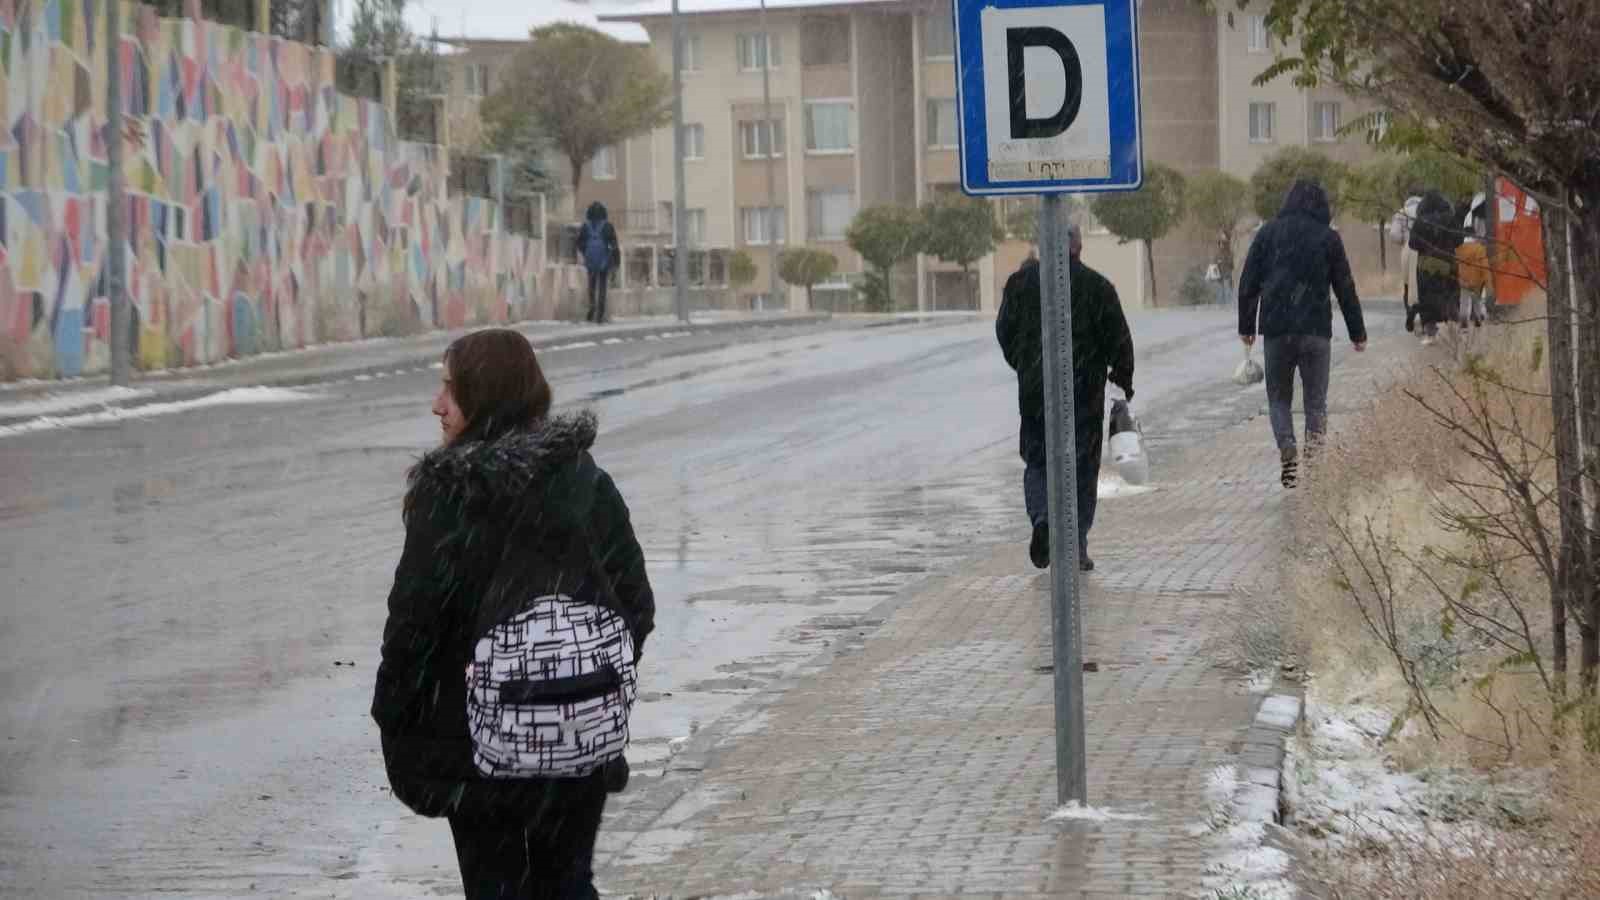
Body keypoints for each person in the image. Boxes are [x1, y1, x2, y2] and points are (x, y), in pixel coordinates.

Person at [372, 328, 654, 899]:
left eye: (450, 388)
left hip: (477, 749)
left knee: (495, 888)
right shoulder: (584, 484)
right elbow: (635, 604)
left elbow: (414, 628)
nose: (437, 404)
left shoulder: (449, 500)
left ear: (484, 398)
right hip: (576, 735)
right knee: (568, 883)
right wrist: (580, 678)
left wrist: (398, 718)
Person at [997, 222, 1135, 573]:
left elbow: (1005, 332)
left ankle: (1043, 518)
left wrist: (1027, 364)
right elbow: (1119, 339)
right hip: (1084, 392)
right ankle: (1075, 544)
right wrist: (1121, 381)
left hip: (1036, 391)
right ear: (1079, 248)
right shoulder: (1097, 287)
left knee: (1039, 460)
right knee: (1082, 469)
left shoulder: (1020, 284)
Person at [1238, 179, 1367, 489]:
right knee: (1315, 403)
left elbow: (1248, 283)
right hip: (1315, 332)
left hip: (1277, 331)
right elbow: (1345, 287)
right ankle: (1314, 462)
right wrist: (1357, 332)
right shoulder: (1328, 238)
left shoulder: (1268, 234)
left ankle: (1287, 448)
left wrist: (1247, 328)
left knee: (1279, 399)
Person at [1408, 189, 1464, 345]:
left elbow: (1412, 243)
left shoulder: (1420, 221)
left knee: (1427, 298)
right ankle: (1454, 329)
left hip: (1426, 266)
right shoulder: (1450, 219)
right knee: (1451, 294)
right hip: (1448, 263)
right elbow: (1459, 239)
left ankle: (1431, 334)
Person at [576, 202, 620, 324]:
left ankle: (592, 306)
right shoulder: (608, 226)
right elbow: (615, 245)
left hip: (590, 260)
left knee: (591, 285)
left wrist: (586, 253)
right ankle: (600, 315)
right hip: (604, 261)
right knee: (602, 287)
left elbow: (579, 243)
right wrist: (616, 262)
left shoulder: (585, 226)